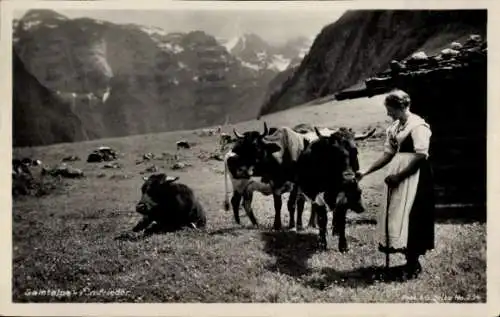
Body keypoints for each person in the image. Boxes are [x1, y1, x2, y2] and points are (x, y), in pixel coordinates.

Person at [356, 89, 435, 279]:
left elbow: (421, 156)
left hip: (415, 176)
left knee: (413, 215)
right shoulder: (394, 128)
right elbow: (387, 155)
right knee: (397, 213)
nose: (388, 113)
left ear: (400, 107)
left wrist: (400, 176)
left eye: (389, 109)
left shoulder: (418, 126)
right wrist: (366, 171)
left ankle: (413, 264)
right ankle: (408, 261)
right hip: (397, 175)